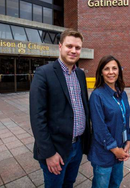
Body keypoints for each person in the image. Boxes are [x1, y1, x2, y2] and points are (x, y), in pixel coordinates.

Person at [30, 29, 91, 188]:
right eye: (69, 46)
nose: (73, 50)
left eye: (77, 48)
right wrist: (49, 153)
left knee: (69, 183)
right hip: (56, 149)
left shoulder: (80, 75)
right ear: (60, 46)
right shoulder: (43, 73)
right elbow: (37, 118)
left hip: (77, 147)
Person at [88, 55, 130, 188]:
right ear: (101, 72)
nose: (111, 72)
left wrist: (128, 140)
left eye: (114, 68)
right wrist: (115, 150)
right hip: (105, 153)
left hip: (120, 149)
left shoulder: (122, 93)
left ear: (119, 71)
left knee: (115, 183)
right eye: (106, 69)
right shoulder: (97, 95)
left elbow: (125, 120)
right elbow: (99, 128)